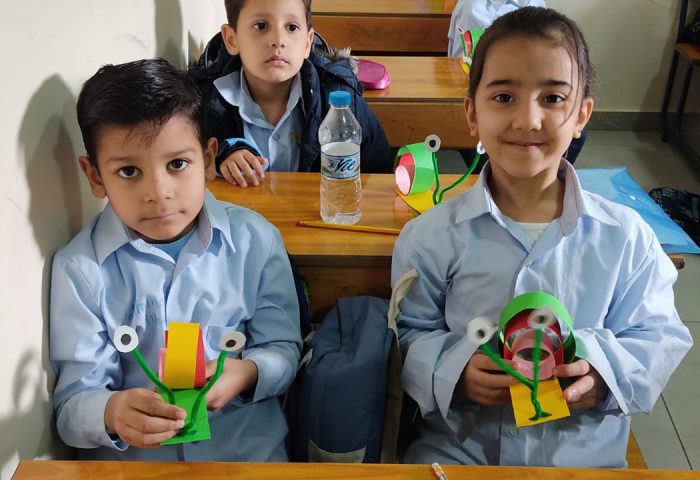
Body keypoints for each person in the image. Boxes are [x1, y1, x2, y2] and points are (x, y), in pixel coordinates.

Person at [391, 7, 692, 467]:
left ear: (581, 115)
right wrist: (455, 369)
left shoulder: (626, 238)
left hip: (581, 456)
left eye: (552, 98)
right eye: (504, 96)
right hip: (462, 453)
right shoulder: (430, 237)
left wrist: (603, 376)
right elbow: (409, 333)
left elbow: (658, 334)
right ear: (472, 113)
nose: (528, 119)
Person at [49, 58, 302, 461]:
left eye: (177, 164)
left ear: (208, 158)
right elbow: (72, 403)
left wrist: (248, 372)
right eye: (129, 171)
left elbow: (283, 348)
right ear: (95, 176)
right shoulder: (81, 269)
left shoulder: (256, 241)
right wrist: (111, 412)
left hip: (244, 454)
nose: (159, 192)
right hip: (135, 466)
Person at [202, 0, 394, 187]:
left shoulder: (341, 98)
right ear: (231, 39)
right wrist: (220, 159)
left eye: (292, 27)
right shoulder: (205, 103)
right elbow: (196, 166)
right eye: (261, 26)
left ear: (307, 43)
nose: (278, 40)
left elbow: (380, 171)